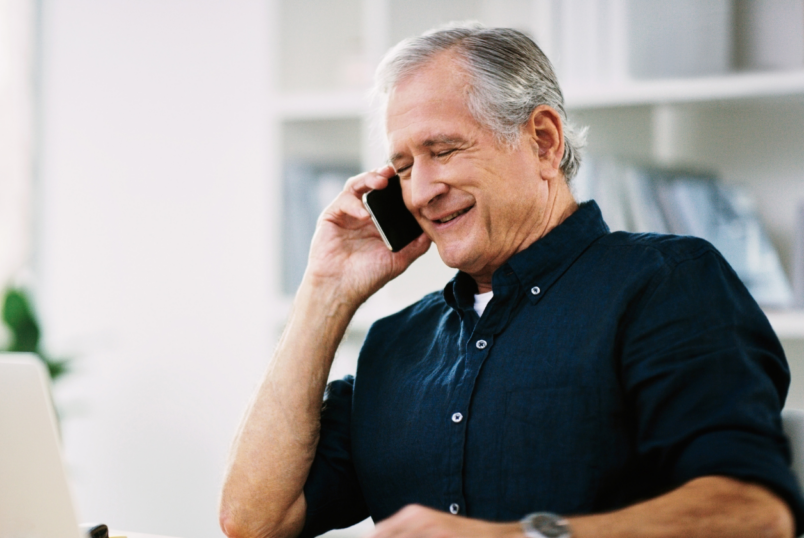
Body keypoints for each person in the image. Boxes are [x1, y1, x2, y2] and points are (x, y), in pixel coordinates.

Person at [219, 22, 804, 538]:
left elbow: (753, 515)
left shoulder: (665, 283)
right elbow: (254, 521)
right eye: (404, 167)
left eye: (444, 150)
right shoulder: (394, 344)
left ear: (543, 141)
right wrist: (325, 291)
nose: (421, 192)